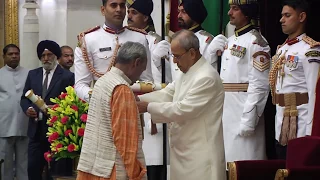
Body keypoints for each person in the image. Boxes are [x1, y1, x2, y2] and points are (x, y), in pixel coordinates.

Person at [137, 30, 226, 180]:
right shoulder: (187, 72)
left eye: (177, 56)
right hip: (184, 152)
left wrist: (147, 107)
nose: (174, 61)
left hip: (200, 156)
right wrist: (137, 101)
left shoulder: (206, 77)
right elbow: (168, 94)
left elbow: (183, 109)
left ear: (192, 53)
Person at [76, 41, 148, 180]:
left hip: (91, 167)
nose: (140, 76)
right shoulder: (121, 88)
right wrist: (136, 173)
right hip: (111, 169)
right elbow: (125, 139)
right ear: (136, 62)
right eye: (142, 69)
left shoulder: (103, 81)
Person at [220, 0, 271, 163]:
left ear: (247, 13)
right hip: (227, 109)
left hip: (243, 109)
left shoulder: (257, 42)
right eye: (230, 9)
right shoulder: (229, 40)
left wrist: (249, 120)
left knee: (245, 160)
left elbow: (260, 85)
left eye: (235, 9)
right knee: (228, 162)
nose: (230, 13)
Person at [269, 0, 320, 159]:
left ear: (301, 16)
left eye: (287, 15)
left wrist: (311, 133)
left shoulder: (310, 50)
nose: (281, 20)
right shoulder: (282, 49)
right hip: (280, 122)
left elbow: (314, 93)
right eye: (281, 15)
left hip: (302, 123)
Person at [74, 0, 153, 102]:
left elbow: (147, 81)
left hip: (132, 103)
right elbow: (81, 85)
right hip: (100, 103)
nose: (118, 10)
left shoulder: (140, 38)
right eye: (113, 5)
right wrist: (100, 98)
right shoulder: (88, 40)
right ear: (103, 10)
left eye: (122, 6)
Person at [127, 0, 170, 179]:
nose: (128, 16)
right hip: (129, 106)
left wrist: (155, 59)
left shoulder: (156, 41)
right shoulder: (126, 38)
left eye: (134, 12)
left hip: (149, 109)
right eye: (128, 11)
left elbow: (167, 79)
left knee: (152, 160)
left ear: (145, 17)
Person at [20, 40, 74, 180]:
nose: (46, 58)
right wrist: (28, 109)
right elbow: (24, 98)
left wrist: (56, 109)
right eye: (43, 55)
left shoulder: (67, 76)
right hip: (36, 131)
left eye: (49, 55)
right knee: (33, 169)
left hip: (57, 132)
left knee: (56, 172)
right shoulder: (33, 74)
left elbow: (72, 102)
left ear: (56, 56)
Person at [0, 44, 29, 180]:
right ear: (4, 56)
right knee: (5, 164)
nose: (14, 56)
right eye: (10, 54)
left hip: (25, 124)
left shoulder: (29, 74)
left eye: (16, 53)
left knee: (24, 163)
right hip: (4, 126)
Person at [174, 0, 226, 71]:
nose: (179, 15)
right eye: (179, 11)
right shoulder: (176, 38)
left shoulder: (206, 41)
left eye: (184, 12)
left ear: (194, 14)